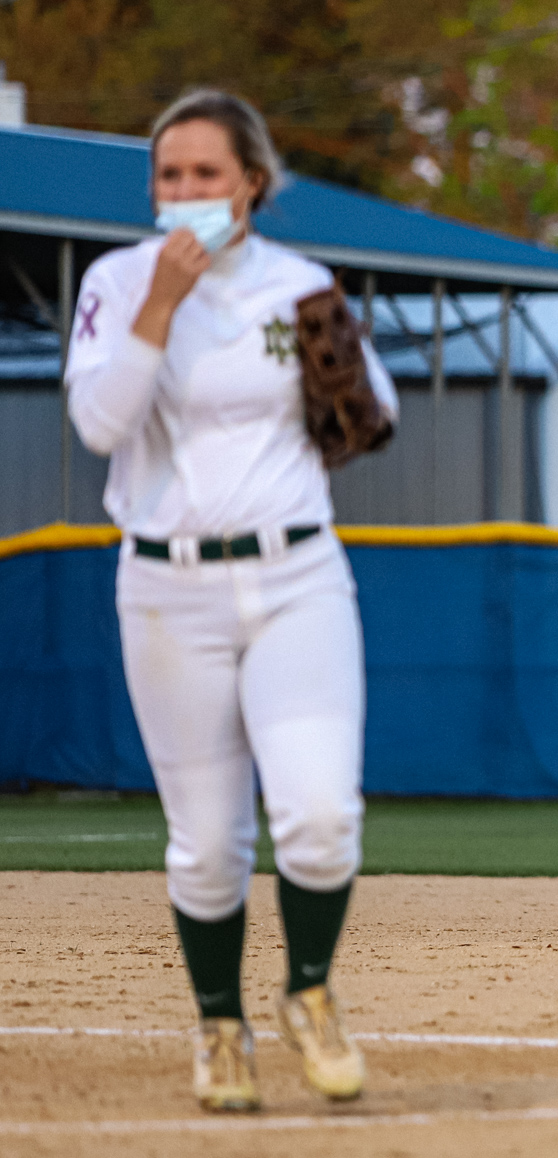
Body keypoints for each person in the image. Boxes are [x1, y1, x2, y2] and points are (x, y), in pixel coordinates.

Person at [64, 89, 396, 1111]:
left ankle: (308, 992)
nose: (186, 192)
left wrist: (342, 379)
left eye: (206, 174)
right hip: (167, 589)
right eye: (170, 176)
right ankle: (219, 1026)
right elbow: (97, 423)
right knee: (208, 843)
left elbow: (371, 412)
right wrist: (159, 305)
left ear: (250, 181)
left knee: (321, 817)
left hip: (296, 575)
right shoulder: (118, 282)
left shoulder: (300, 287)